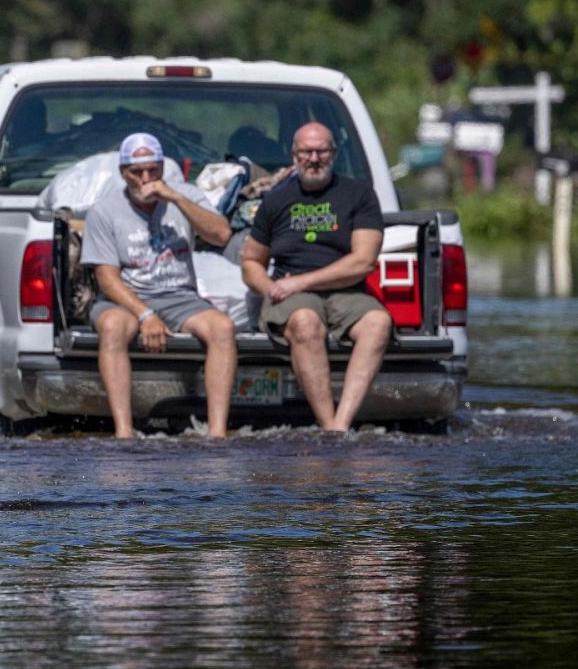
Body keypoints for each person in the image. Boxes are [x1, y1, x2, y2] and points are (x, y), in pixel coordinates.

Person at [81, 132, 237, 439]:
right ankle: (123, 431)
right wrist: (144, 314)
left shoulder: (184, 195)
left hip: (180, 295)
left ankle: (217, 432)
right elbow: (107, 279)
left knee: (222, 328)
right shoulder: (105, 210)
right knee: (113, 326)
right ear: (123, 173)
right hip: (127, 297)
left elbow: (221, 234)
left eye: (153, 171)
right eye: (137, 172)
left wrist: (177, 198)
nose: (146, 179)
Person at [240, 122, 392, 432]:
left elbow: (362, 262)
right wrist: (271, 288)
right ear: (294, 156)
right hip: (291, 298)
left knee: (379, 322)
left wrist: (302, 281)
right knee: (306, 321)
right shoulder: (275, 199)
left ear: (333, 153)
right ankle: (329, 426)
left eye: (321, 151)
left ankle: (341, 423)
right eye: (306, 151)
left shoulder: (358, 194)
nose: (314, 158)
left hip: (346, 291)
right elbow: (251, 262)